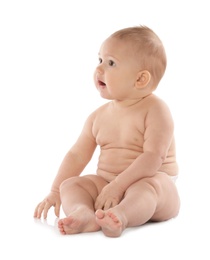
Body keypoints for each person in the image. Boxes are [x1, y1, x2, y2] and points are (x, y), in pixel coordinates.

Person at [34, 25, 180, 237]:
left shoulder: (156, 110)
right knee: (71, 185)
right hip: (108, 184)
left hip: (152, 181)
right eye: (100, 60)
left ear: (140, 79)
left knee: (149, 188)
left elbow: (154, 157)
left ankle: (121, 215)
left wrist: (119, 186)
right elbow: (76, 155)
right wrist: (55, 191)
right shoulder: (98, 117)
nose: (99, 69)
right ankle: (83, 212)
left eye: (111, 63)